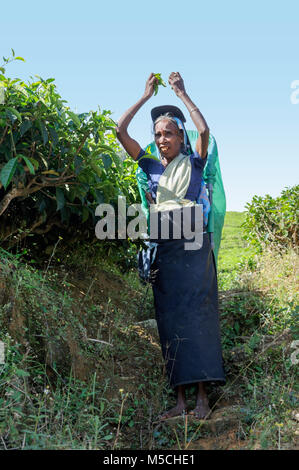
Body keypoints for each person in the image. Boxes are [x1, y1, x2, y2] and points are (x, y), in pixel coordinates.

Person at [116, 72, 225, 420]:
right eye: (158, 135)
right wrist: (145, 96)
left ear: (181, 137)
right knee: (170, 321)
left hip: (194, 249)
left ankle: (203, 400)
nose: (162, 139)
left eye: (169, 134)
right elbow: (120, 131)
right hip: (165, 250)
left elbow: (204, 131)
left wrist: (183, 93)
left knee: (198, 318)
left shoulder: (195, 162)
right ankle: (180, 401)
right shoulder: (148, 166)